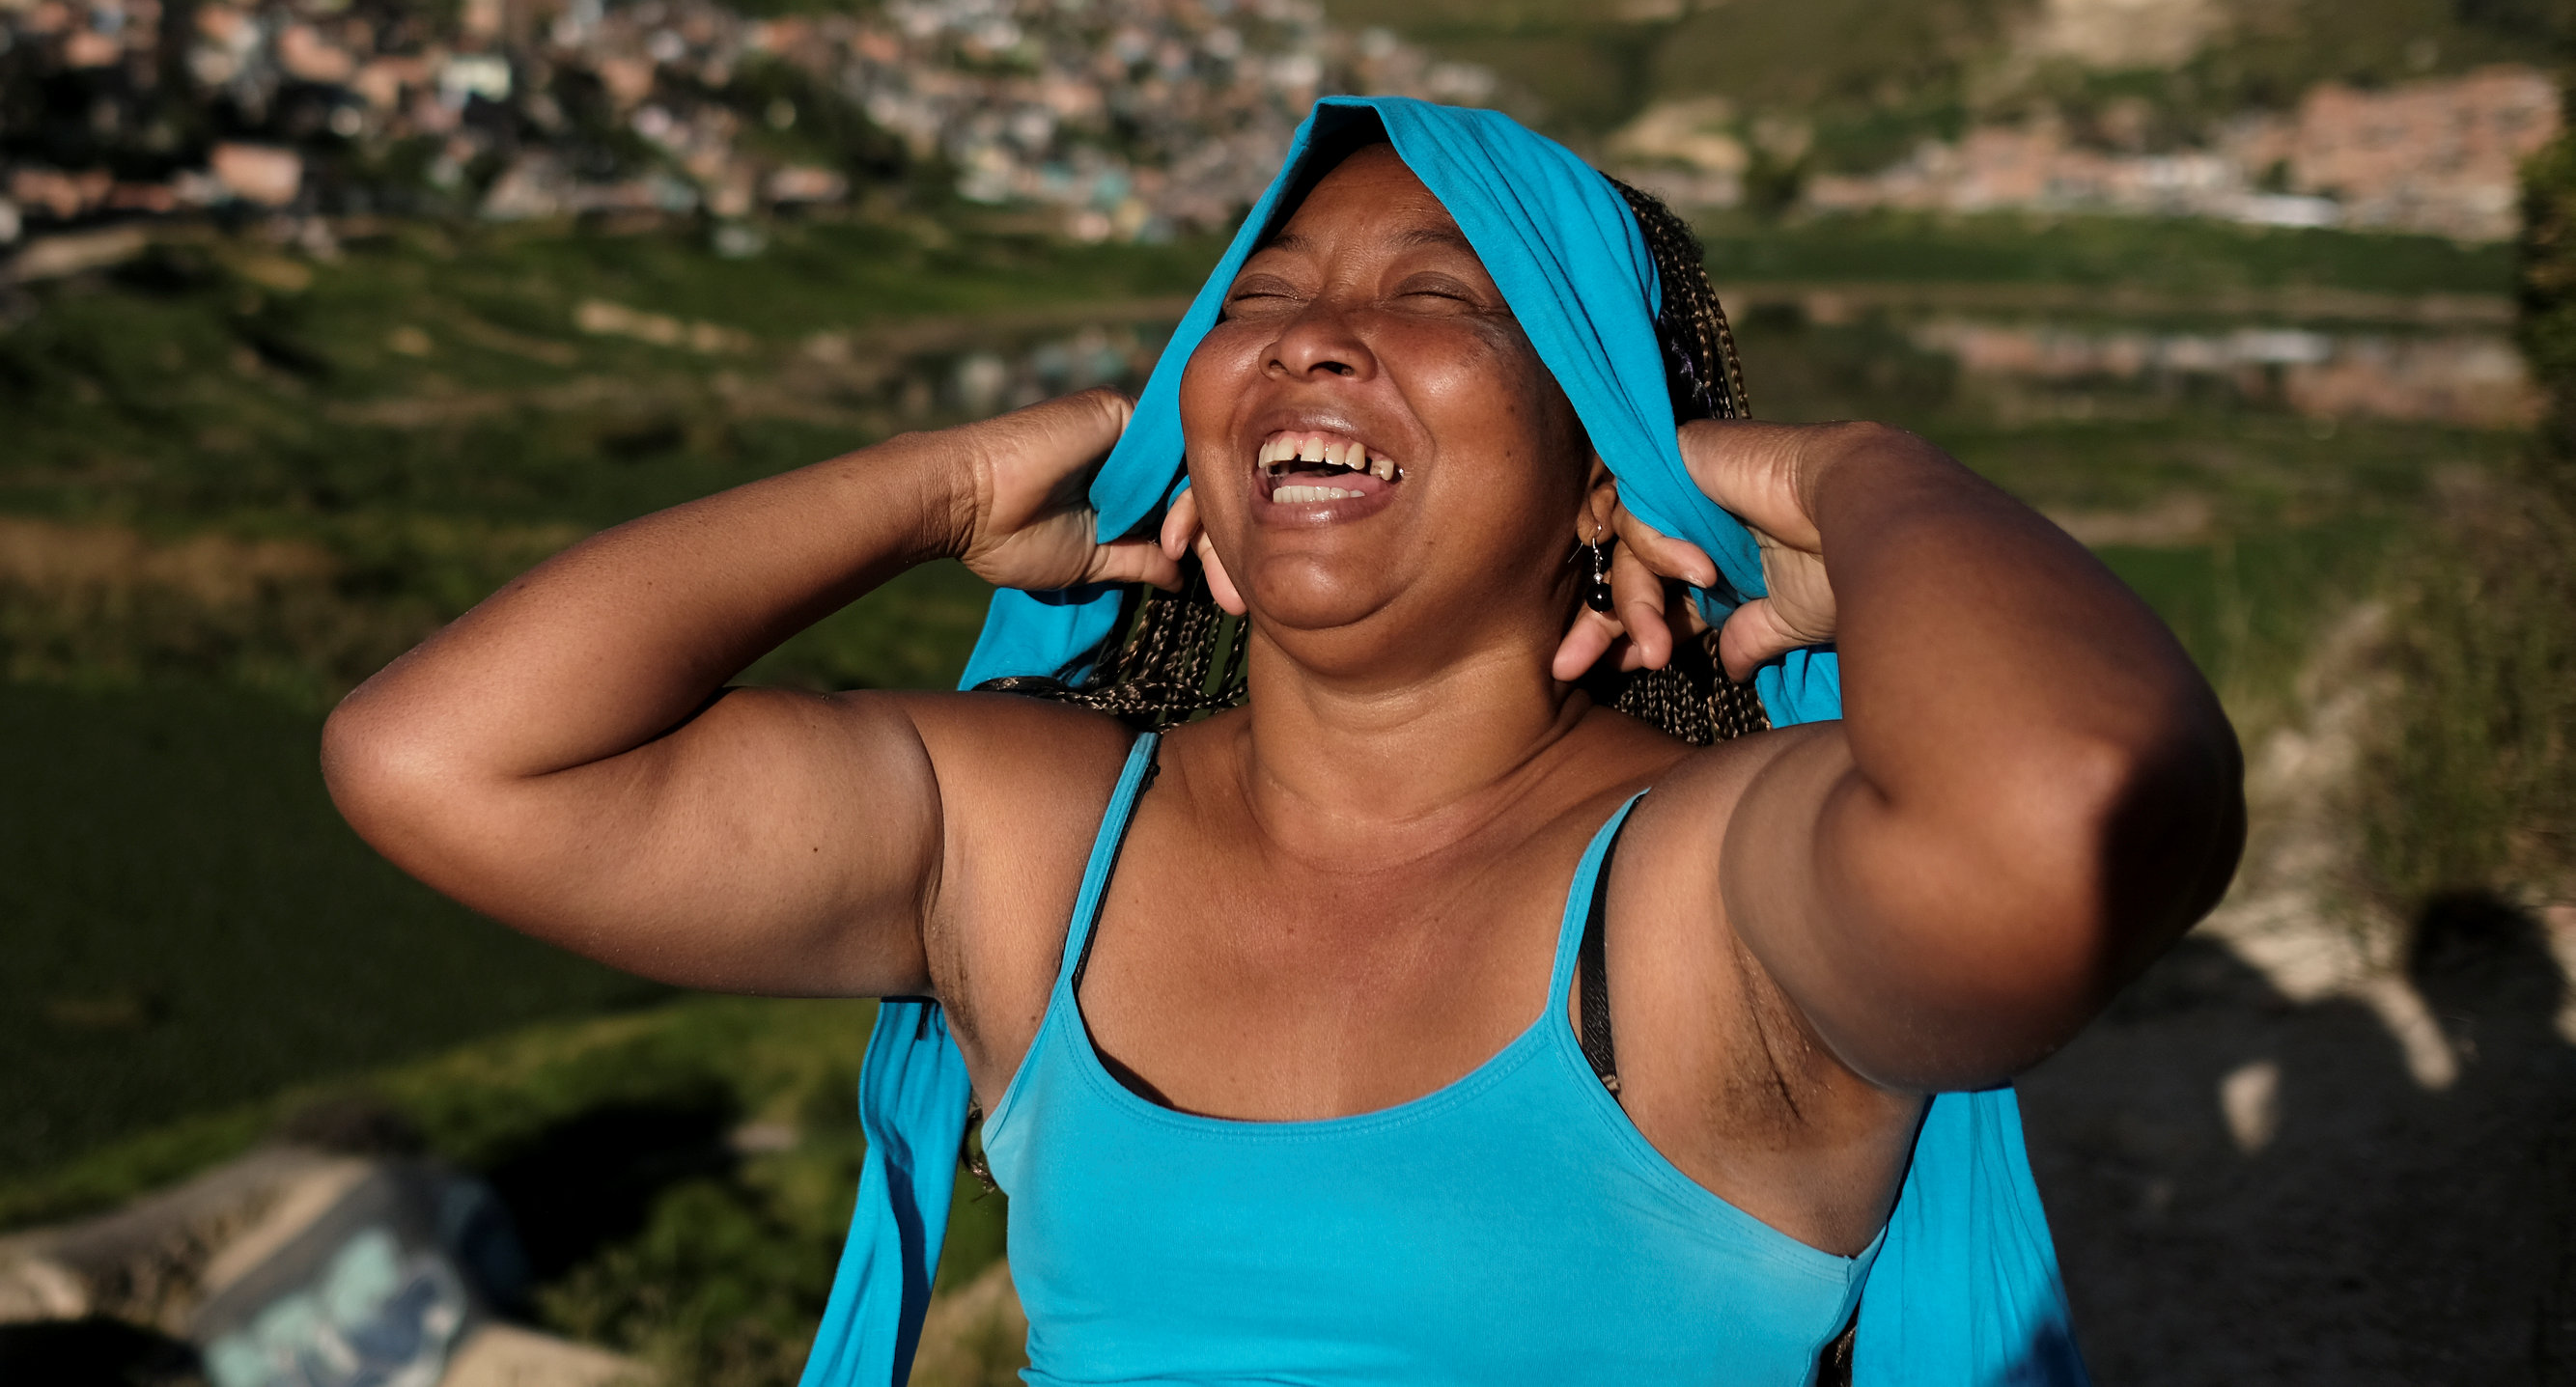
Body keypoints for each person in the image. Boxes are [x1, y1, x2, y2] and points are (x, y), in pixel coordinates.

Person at [323, 99, 2244, 1386]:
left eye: (1437, 303)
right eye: (1253, 309)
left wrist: (1853, 475)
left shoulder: (1703, 895)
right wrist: (949, 483)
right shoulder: (1034, 835)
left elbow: (2072, 802)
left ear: (1605, 473)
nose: (1311, 346)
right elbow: (444, 761)